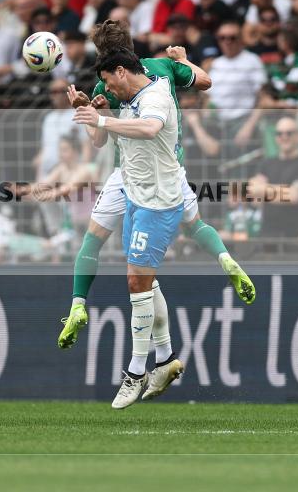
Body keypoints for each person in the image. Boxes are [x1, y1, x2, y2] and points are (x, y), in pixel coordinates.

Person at [56, 20, 254, 353]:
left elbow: (100, 140)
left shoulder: (105, 84)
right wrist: (184, 58)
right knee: (195, 225)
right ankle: (225, 259)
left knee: (94, 240)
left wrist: (87, 110)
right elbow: (206, 81)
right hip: (170, 169)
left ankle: (79, 304)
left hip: (128, 172)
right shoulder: (162, 66)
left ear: (108, 58)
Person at [71, 48, 186, 409]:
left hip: (158, 199)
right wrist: (94, 112)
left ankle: (136, 372)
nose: (106, 88)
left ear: (121, 71)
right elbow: (104, 139)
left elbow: (150, 129)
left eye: (107, 81)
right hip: (136, 195)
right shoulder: (128, 99)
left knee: (136, 282)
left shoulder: (155, 94)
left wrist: (103, 120)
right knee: (144, 281)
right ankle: (165, 360)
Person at [248, 116, 298, 239]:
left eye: (289, 133)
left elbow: (294, 196)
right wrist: (282, 192)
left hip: (294, 238)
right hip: (267, 236)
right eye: (279, 133)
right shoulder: (266, 164)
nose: (284, 137)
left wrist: (262, 189)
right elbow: (254, 198)